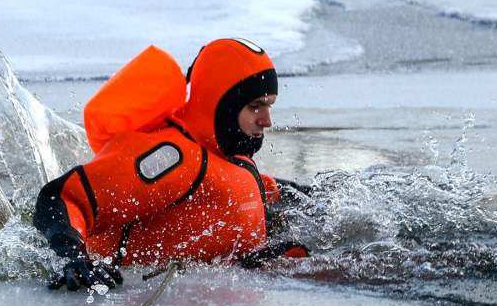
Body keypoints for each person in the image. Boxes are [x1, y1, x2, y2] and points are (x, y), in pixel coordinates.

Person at [34, 38, 307, 291]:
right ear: (223, 103)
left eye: (269, 106)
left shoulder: (232, 157)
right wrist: (72, 256)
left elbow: (260, 190)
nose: (267, 120)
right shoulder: (171, 156)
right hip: (131, 292)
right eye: (255, 106)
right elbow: (62, 198)